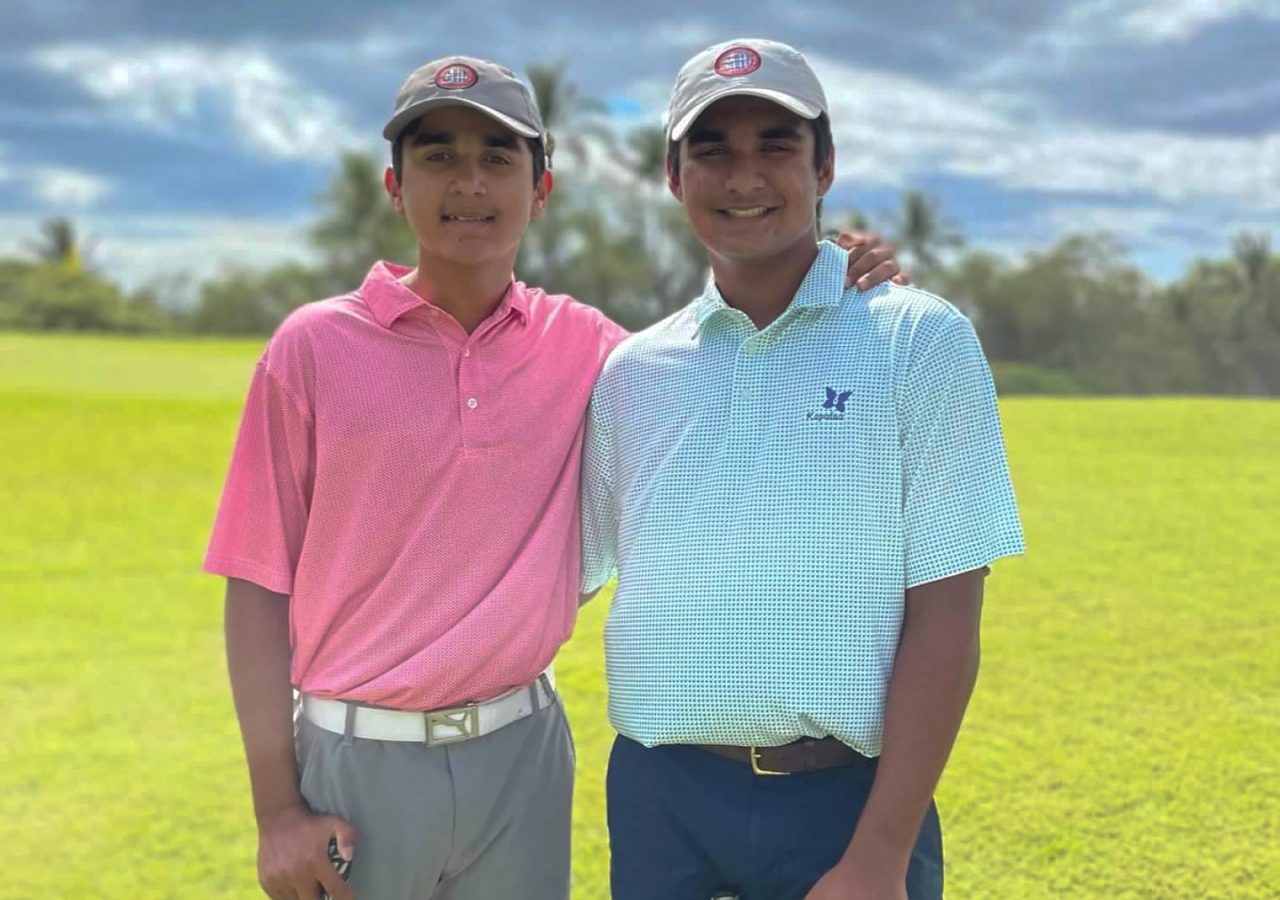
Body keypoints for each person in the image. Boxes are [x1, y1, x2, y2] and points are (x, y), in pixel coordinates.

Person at [204, 54, 907, 900]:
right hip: (355, 758)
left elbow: (719, 346)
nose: (470, 183)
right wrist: (276, 810)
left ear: (540, 190)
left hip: (523, 758)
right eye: (438, 156)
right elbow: (255, 586)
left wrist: (831, 270)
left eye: (499, 158)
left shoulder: (595, 350)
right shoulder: (311, 349)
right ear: (395, 185)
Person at [581, 38, 1026, 900]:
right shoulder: (633, 370)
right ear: (675, 178)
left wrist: (878, 857)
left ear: (824, 166)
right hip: (659, 796)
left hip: (849, 802)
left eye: (776, 147)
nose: (744, 177)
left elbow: (946, 620)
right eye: (713, 151)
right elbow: (568, 571)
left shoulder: (917, 340)